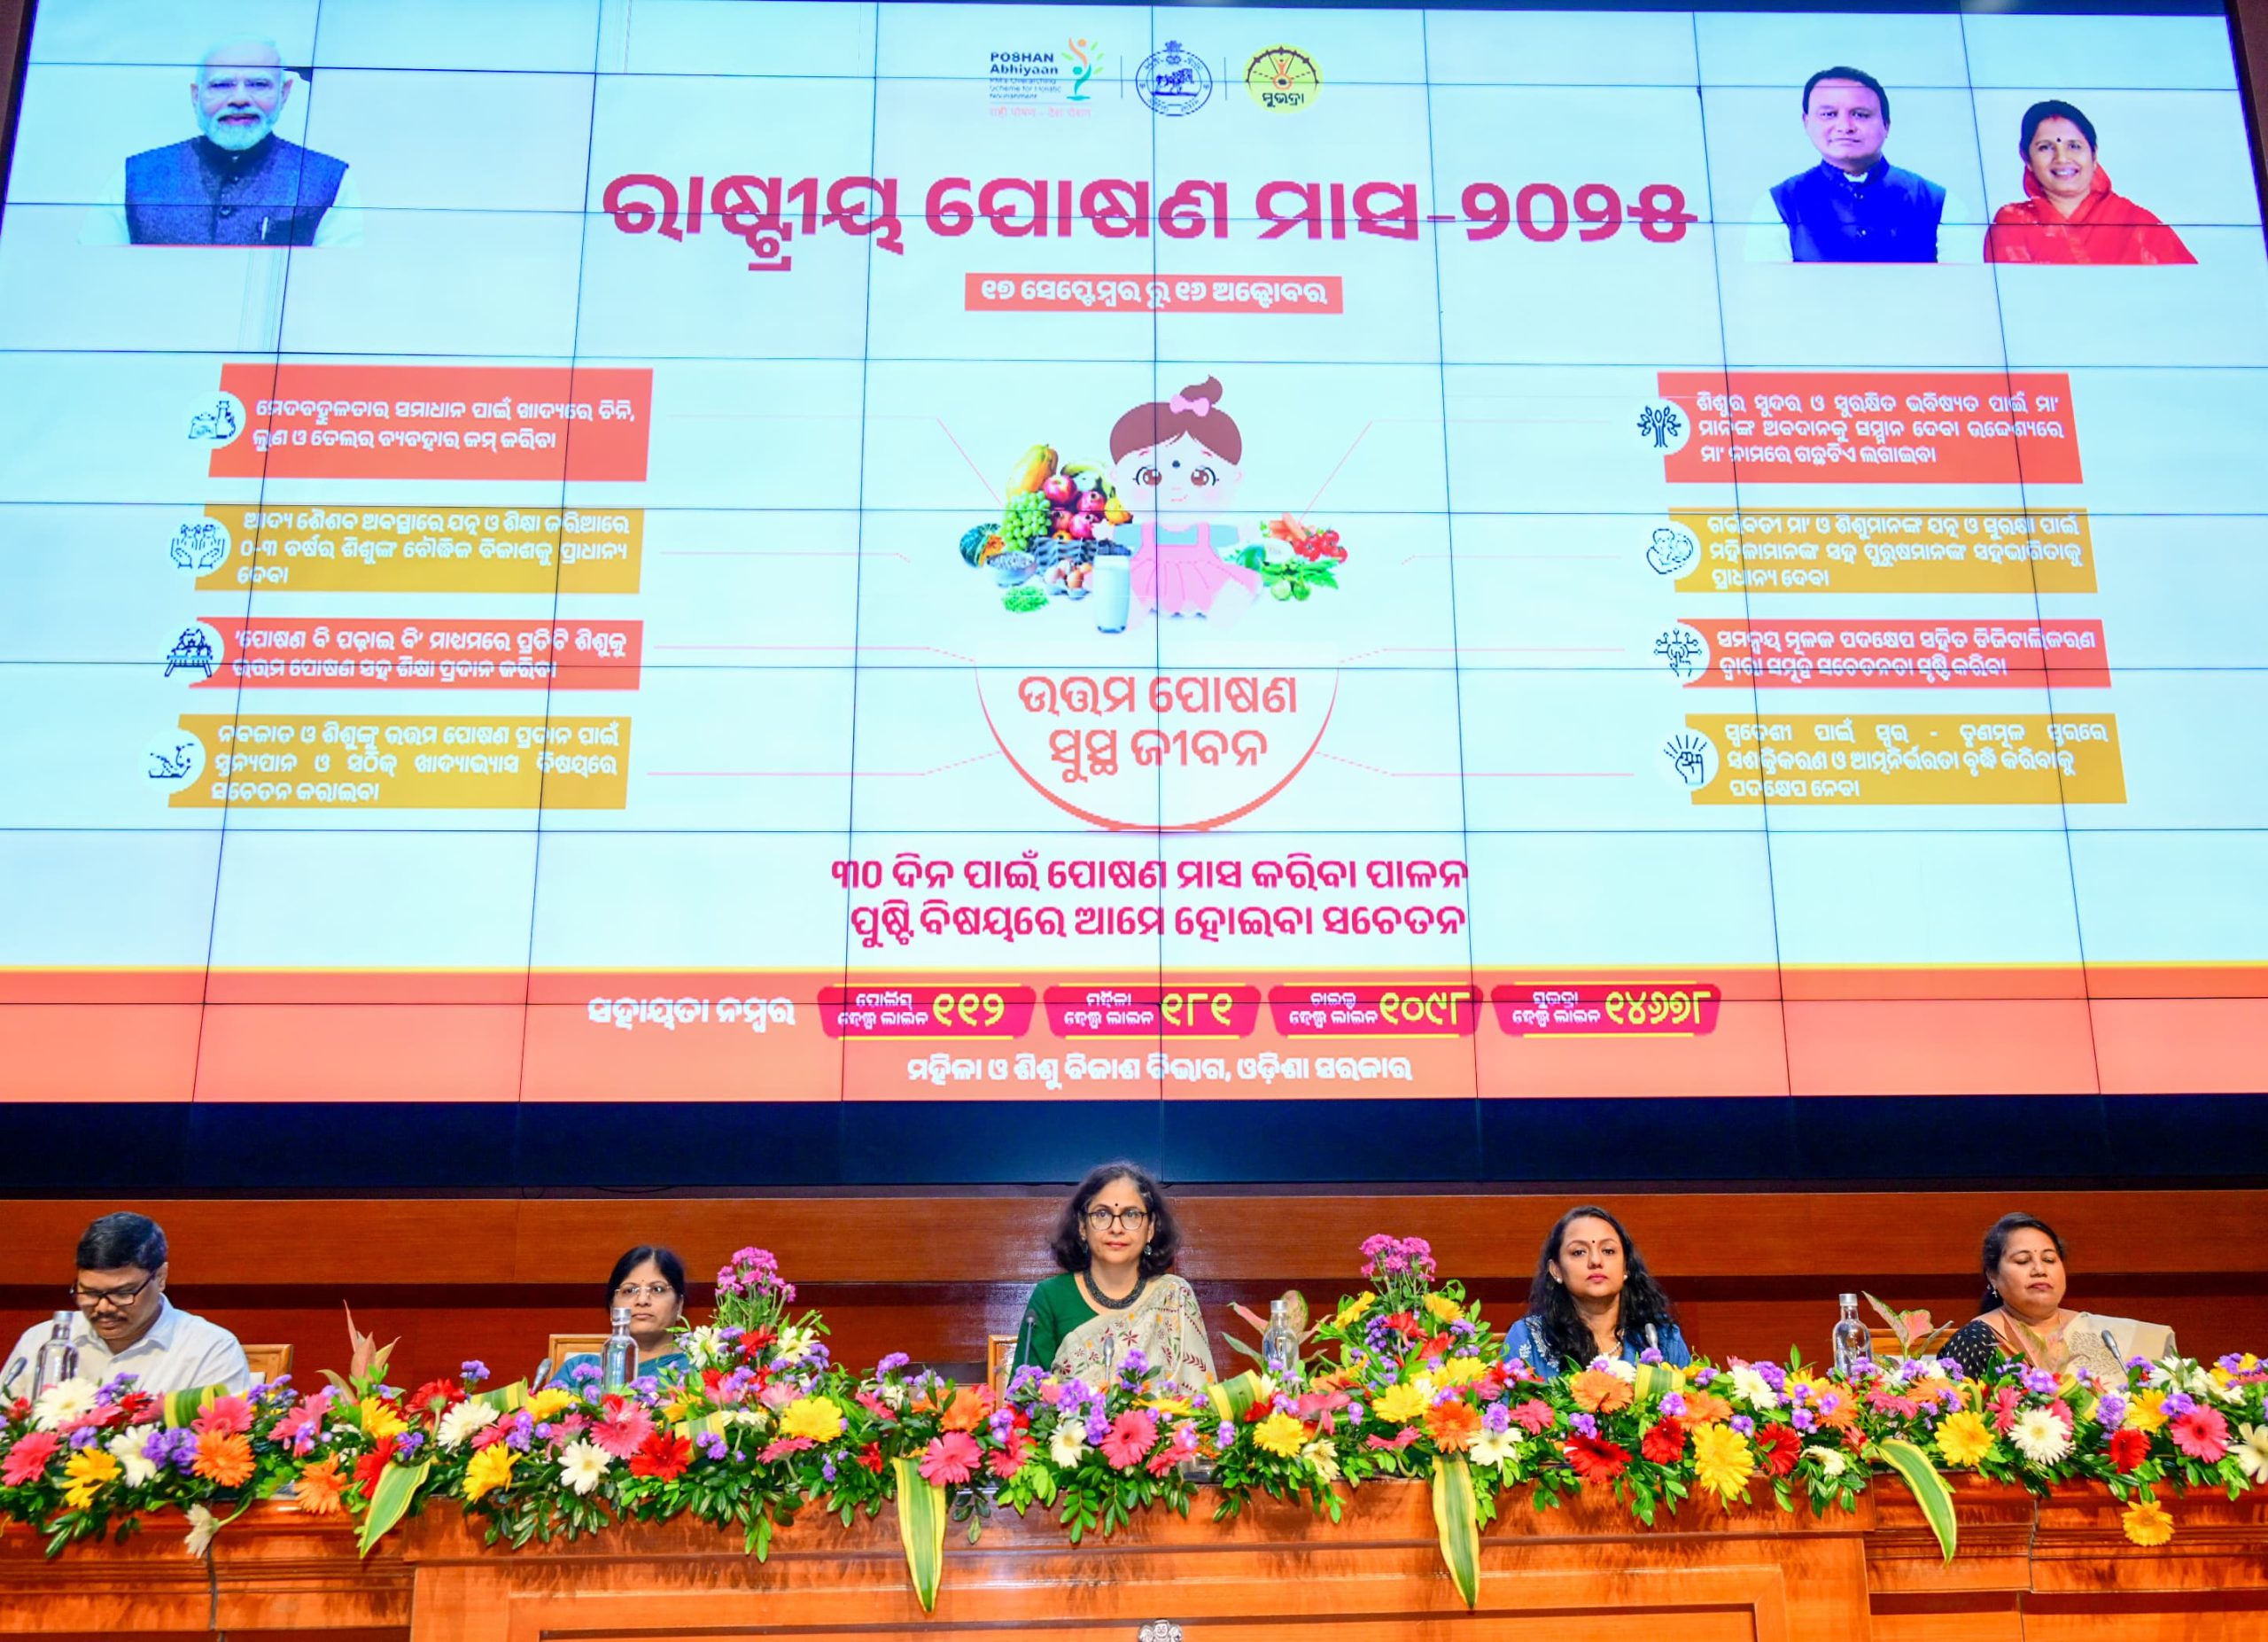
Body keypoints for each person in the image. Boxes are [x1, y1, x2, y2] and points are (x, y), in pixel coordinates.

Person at [82, 37, 363, 247]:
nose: (239, 99)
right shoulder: (134, 176)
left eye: (258, 85)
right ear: (196, 95)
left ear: (284, 94)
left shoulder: (331, 181)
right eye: (221, 85)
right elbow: (94, 275)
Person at [1009, 1162, 1216, 1389]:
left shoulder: (1174, 1297)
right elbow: (1025, 1399)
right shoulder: (1051, 1297)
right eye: (1102, 1214)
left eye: (1131, 1214)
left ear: (1150, 1228)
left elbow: (1199, 1400)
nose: (1116, 1228)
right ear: (1082, 1226)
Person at [2, 1212, 250, 1397]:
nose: (103, 1308)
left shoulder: (209, 1350)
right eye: (89, 1293)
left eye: (122, 1293)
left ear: (160, 1277)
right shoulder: (40, 1341)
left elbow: (219, 1443)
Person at [1750, 66, 1950, 263]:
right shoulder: (1777, 205)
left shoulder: (1939, 203)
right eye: (1829, 114)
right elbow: (1768, 284)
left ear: (1886, 125)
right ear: (1806, 122)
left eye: (1860, 114)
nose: (1845, 127)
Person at [1943, 1213, 2175, 1378]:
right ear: (1993, 1276)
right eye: (2023, 1261)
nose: (2039, 1269)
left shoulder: (2105, 1335)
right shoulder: (1975, 1342)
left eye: (2049, 1259)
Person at [1107, 376, 1260, 620]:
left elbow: (1222, 535)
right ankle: (1133, 606)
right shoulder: (1148, 530)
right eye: (1151, 476)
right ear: (1116, 476)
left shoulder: (1203, 531)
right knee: (1134, 585)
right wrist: (1109, 532)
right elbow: (1131, 535)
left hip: (1200, 573)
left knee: (1216, 586)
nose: (1176, 488)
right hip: (1150, 571)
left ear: (1235, 477)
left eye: (1201, 477)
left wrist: (1242, 532)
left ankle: (1221, 606)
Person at [1984, 100, 2194, 265]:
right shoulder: (2012, 223)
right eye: (2045, 147)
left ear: (2094, 155)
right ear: (2027, 159)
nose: (2062, 158)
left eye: (2074, 146)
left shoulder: (2140, 225)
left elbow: (2186, 292)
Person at [1502, 1205, 1691, 1375]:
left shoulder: (1660, 1337)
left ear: (1626, 1266)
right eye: (1578, 1252)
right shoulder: (1528, 1337)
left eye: (1608, 1251)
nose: (1595, 1261)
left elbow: (1688, 1401)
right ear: (1556, 1270)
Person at [555, 1246, 692, 1385]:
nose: (642, 1300)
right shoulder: (579, 1372)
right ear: (612, 1308)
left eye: (657, 1289)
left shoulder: (698, 1370)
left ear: (679, 1305)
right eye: (629, 1290)